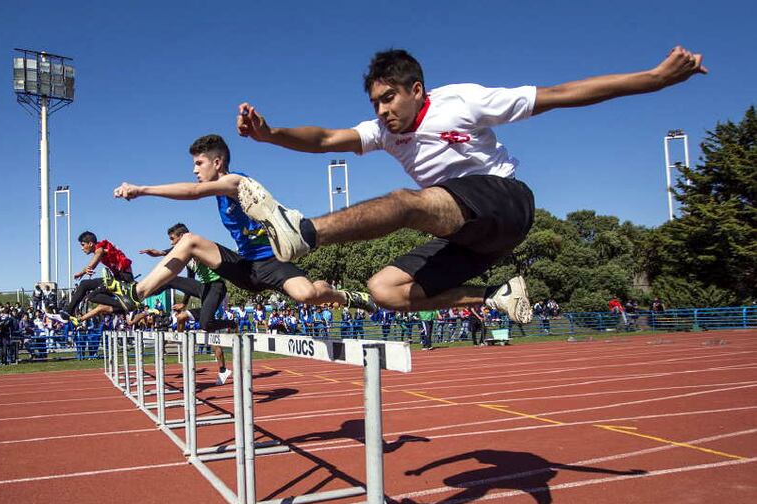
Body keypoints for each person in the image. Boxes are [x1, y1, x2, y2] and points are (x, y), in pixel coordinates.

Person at [235, 46, 708, 324]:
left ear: (417, 90)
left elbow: (560, 95)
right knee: (386, 289)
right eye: (375, 103)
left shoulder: (461, 101)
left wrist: (654, 79)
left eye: (388, 99)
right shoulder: (383, 132)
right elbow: (325, 138)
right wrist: (269, 134)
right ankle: (496, 296)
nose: (381, 112)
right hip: (468, 234)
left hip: (504, 201)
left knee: (409, 204)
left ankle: (305, 232)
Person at [106, 134, 376, 316]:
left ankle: (345, 296)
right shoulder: (221, 195)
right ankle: (136, 294)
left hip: (274, 261)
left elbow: (191, 191)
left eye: (199, 163)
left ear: (218, 162)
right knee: (188, 241)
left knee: (308, 295)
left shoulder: (236, 182)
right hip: (245, 267)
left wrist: (142, 189)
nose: (194, 170)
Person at [141, 222, 235, 385]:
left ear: (183, 237)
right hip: (203, 288)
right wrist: (184, 303)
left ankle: (231, 323)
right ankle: (140, 295)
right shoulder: (187, 259)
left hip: (216, 287)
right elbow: (190, 280)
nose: (171, 242)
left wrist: (161, 253)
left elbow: (173, 250)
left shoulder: (196, 246)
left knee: (207, 325)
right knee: (174, 283)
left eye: (172, 239)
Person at [54, 231, 136, 324]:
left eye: (83, 245)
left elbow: (98, 254)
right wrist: (82, 272)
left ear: (90, 243)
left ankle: (129, 306)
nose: (82, 248)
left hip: (124, 278)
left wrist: (88, 268)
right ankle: (68, 313)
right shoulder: (102, 248)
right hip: (117, 277)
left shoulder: (100, 247)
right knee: (85, 285)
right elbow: (96, 259)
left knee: (92, 296)